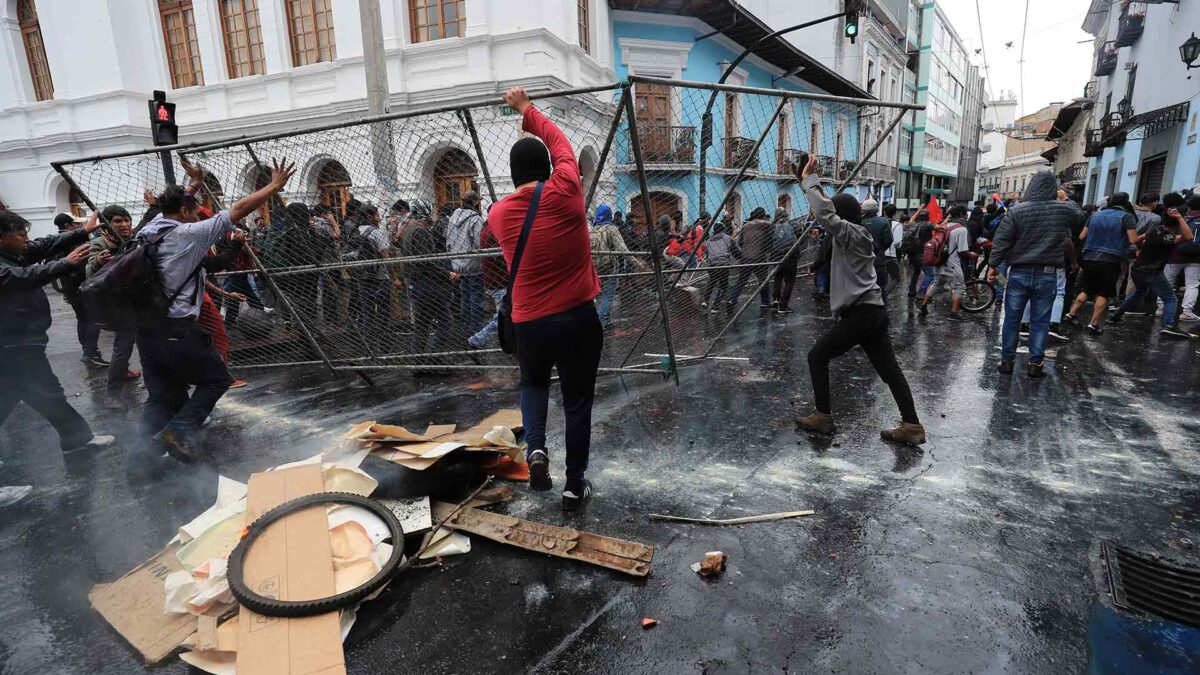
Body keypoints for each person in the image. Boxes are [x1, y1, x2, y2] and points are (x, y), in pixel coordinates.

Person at [135, 158, 294, 462]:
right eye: (194, 211)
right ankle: (178, 431)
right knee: (217, 379)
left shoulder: (150, 227)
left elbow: (178, 205)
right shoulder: (187, 234)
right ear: (183, 213)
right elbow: (236, 211)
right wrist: (273, 186)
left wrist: (193, 184)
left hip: (147, 329)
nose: (198, 216)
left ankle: (140, 456)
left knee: (160, 397)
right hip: (176, 329)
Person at [489, 87, 602, 511]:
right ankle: (575, 484)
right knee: (577, 402)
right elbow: (562, 144)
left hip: (529, 321)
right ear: (548, 168)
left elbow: (551, 154)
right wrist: (526, 109)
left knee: (532, 384)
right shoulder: (568, 191)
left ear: (514, 175)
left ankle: (536, 450)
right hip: (577, 318)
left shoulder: (498, 215)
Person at [794, 156, 924, 444]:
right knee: (890, 370)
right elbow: (828, 211)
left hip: (861, 314)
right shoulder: (857, 233)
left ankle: (823, 416)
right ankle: (912, 425)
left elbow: (826, 215)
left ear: (842, 217)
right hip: (873, 312)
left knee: (817, 356)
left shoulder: (850, 233)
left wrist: (809, 180)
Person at [1, 209, 115, 452]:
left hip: (21, 342)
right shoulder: (6, 265)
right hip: (12, 345)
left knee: (27, 394)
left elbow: (45, 244)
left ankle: (75, 437)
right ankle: (77, 437)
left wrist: (81, 232)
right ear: (2, 237)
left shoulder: (12, 254)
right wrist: (66, 263)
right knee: (45, 392)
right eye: (21, 235)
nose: (26, 240)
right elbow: (26, 276)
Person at [987, 170, 1081, 378]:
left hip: (1019, 272)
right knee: (1041, 321)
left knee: (1012, 318)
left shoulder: (1017, 210)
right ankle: (1035, 364)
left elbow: (1002, 240)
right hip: (1047, 273)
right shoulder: (1063, 210)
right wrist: (1066, 199)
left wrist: (993, 265)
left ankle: (1006, 362)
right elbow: (1080, 219)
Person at [1107, 206, 1193, 337]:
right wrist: (1180, 218)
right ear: (1176, 224)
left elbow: (1135, 240)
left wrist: (1142, 248)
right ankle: (1168, 325)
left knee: (1138, 292)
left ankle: (1116, 316)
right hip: (1152, 272)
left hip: (1138, 269)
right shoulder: (1168, 237)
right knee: (1171, 299)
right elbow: (1189, 237)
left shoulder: (1153, 231)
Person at [86, 205, 142, 409]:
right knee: (123, 347)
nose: (124, 225)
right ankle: (112, 394)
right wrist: (98, 262)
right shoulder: (100, 244)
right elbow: (89, 271)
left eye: (126, 220)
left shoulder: (135, 240)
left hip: (140, 301)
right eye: (118, 221)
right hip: (119, 305)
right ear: (106, 225)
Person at [1064, 193, 1137, 333]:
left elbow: (1081, 236)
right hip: (1111, 259)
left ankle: (1071, 314)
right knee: (1104, 293)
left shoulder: (1095, 215)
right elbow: (1133, 240)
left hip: (1090, 257)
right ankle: (1094, 324)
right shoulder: (1127, 217)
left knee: (1086, 288)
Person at [53, 212, 105, 366]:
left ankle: (88, 352)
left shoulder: (58, 241)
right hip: (80, 287)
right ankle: (91, 353)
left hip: (71, 288)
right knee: (92, 320)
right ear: (68, 226)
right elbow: (82, 265)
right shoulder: (72, 242)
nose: (81, 226)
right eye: (77, 224)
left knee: (83, 319)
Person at [399, 200, 449, 356]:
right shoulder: (421, 232)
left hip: (416, 282)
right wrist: (447, 274)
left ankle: (419, 361)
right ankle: (436, 357)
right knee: (445, 320)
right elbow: (426, 262)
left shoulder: (408, 230)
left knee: (422, 325)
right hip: (426, 283)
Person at [589, 203, 644, 328]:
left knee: (603, 294)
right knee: (608, 295)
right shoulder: (611, 228)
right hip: (609, 266)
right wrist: (636, 262)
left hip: (596, 267)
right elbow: (622, 249)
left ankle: (608, 321)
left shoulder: (594, 228)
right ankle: (599, 323)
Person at [918, 204, 971, 321]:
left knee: (936, 283)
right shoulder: (961, 229)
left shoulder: (943, 226)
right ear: (962, 214)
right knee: (959, 287)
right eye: (966, 213)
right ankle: (953, 313)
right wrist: (972, 254)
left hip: (939, 261)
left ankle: (923, 305)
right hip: (953, 264)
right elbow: (963, 250)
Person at [447, 192, 487, 337]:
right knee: (476, 298)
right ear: (475, 202)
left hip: (459, 264)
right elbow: (479, 243)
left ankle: (467, 329)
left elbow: (448, 242)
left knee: (465, 298)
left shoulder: (452, 218)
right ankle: (477, 330)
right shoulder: (476, 219)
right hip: (474, 265)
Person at [468, 219, 508, 350]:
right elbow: (501, 258)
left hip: (495, 280)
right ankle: (477, 339)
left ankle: (511, 342)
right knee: (504, 316)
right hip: (500, 281)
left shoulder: (486, 230)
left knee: (503, 314)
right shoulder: (493, 232)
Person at [727, 206, 773, 309]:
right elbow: (771, 238)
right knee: (763, 281)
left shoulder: (746, 226)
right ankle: (765, 302)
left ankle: (732, 299)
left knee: (741, 281)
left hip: (746, 257)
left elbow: (740, 242)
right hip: (759, 258)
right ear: (762, 215)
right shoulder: (767, 224)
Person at [1163, 195, 1200, 322]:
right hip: (1195, 257)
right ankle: (1187, 312)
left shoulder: (1179, 216)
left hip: (1175, 254)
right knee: (1192, 284)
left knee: (1167, 281)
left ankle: (1161, 308)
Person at [702, 220, 740, 311]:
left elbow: (707, 253)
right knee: (723, 285)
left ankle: (705, 301)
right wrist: (741, 257)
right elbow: (735, 250)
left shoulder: (709, 240)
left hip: (711, 264)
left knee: (712, 282)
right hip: (723, 264)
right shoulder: (727, 238)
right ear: (723, 229)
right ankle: (715, 306)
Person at [861, 198, 894, 303]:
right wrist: (880, 250)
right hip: (879, 260)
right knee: (881, 287)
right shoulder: (883, 221)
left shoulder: (859, 222)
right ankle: (882, 309)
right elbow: (889, 240)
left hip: (861, 261)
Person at [770, 207, 800, 313]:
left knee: (777, 277)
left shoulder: (772, 226)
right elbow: (800, 234)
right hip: (790, 255)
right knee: (789, 280)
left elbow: (769, 240)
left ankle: (776, 300)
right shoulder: (792, 224)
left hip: (776, 255)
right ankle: (783, 306)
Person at [903, 210, 934, 297]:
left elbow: (912, 218)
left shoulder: (912, 224)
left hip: (911, 253)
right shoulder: (928, 225)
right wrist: (946, 220)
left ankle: (912, 291)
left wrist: (919, 210)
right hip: (922, 253)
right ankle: (921, 292)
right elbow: (940, 227)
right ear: (927, 216)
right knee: (930, 273)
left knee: (916, 271)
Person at [883, 203, 904, 287]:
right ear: (895, 213)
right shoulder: (897, 225)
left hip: (879, 254)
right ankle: (884, 295)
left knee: (882, 277)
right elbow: (897, 242)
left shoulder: (879, 221)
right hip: (890, 255)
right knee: (896, 278)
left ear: (884, 212)